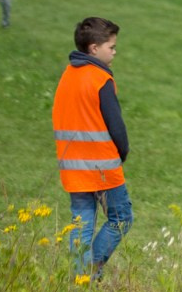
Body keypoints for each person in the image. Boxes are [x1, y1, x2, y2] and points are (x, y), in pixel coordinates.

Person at [53, 16, 133, 278]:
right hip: (102, 165)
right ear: (94, 49)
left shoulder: (68, 76)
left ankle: (79, 281)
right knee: (121, 219)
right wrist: (122, 152)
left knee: (81, 222)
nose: (115, 51)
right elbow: (116, 126)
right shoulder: (100, 79)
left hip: (72, 166)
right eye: (111, 46)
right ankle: (89, 272)